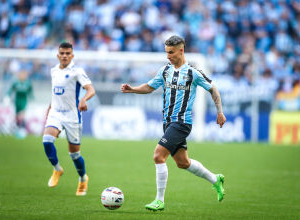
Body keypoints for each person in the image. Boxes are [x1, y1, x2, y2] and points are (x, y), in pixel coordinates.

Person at [121, 35, 227, 211]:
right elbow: (149, 87)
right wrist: (132, 89)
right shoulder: (165, 71)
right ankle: (216, 180)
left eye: (171, 52)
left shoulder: (193, 72)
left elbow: (213, 89)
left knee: (158, 156)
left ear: (181, 50)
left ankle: (159, 200)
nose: (168, 56)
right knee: (182, 162)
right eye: (166, 52)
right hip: (168, 123)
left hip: (182, 122)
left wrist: (220, 112)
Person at [43, 42, 95, 196]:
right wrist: (49, 107)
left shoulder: (77, 71)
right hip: (56, 113)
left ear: (72, 55)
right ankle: (57, 169)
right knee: (46, 139)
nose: (64, 56)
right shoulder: (53, 71)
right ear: (58, 55)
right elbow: (56, 93)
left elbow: (91, 89)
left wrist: (84, 99)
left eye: (67, 53)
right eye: (62, 53)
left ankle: (82, 178)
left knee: (74, 155)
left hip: (72, 116)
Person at [6, 70, 33, 138]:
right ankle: (17, 130)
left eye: (25, 75)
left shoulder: (28, 83)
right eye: (22, 74)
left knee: (22, 115)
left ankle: (23, 131)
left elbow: (30, 91)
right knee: (17, 117)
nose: (23, 76)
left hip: (24, 101)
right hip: (17, 101)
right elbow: (10, 90)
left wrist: (31, 98)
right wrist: (7, 96)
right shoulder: (16, 82)